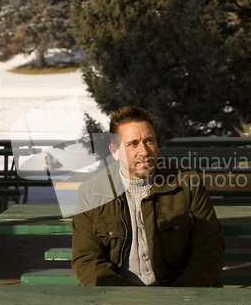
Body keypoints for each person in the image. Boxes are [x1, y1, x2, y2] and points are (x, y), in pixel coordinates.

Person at [72, 107, 225, 286]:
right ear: (114, 151)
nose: (144, 151)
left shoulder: (187, 183)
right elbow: (87, 261)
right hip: (117, 298)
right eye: (133, 143)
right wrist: (126, 298)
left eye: (149, 141)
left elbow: (209, 248)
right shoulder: (91, 194)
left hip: (180, 292)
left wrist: (182, 294)